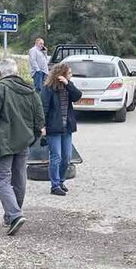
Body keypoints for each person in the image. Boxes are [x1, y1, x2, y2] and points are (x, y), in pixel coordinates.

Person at [0, 57, 44, 236]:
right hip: (23, 141)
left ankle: (15, 214)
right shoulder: (30, 90)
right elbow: (39, 117)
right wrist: (33, 136)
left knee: (3, 179)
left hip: (3, 141)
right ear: (16, 72)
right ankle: (12, 215)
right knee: (19, 177)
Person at [41, 62, 81, 197]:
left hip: (66, 127)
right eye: (69, 73)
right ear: (61, 74)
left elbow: (77, 96)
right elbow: (44, 107)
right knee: (56, 156)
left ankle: (61, 181)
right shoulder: (48, 88)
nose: (71, 75)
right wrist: (42, 126)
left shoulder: (69, 86)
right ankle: (55, 185)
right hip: (53, 127)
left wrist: (68, 84)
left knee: (67, 157)